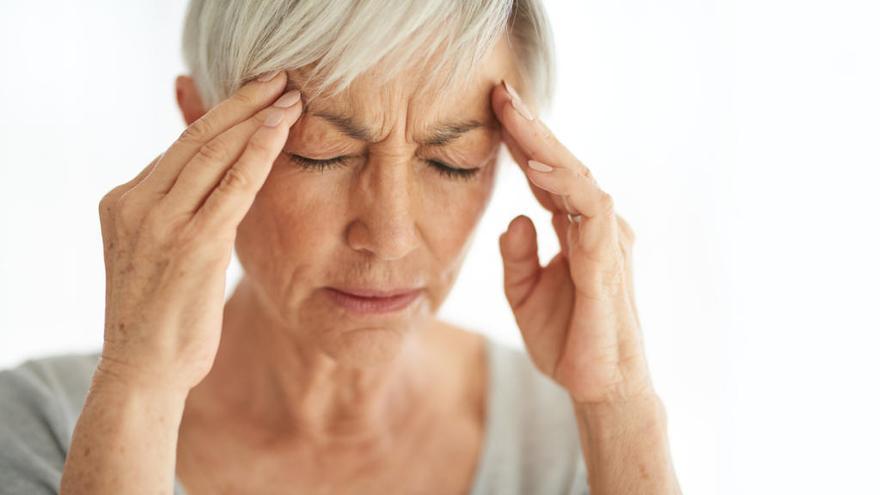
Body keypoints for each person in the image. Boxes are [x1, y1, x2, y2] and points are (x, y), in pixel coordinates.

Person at [0, 0, 682, 493]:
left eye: (454, 161)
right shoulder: (47, 427)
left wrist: (620, 404)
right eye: (322, 154)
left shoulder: (564, 440)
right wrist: (136, 389)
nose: (387, 236)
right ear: (198, 133)